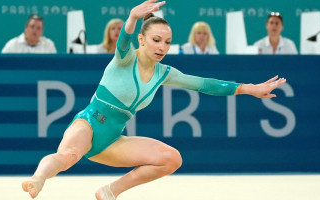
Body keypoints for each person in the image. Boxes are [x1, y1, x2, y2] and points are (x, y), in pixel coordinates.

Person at [22, 1, 287, 199]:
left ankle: (110, 192)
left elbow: (204, 84)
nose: (162, 47)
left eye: (167, 42)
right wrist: (131, 17)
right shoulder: (125, 59)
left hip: (113, 139)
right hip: (89, 124)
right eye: (156, 40)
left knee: (171, 159)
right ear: (142, 39)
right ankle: (38, 178)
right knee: (68, 155)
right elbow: (123, 41)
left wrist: (248, 89)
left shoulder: (165, 73)